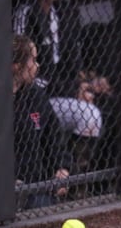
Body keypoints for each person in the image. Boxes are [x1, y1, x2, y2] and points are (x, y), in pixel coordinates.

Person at [12, 0, 108, 171]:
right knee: (89, 114)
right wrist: (73, 89)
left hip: (59, 92)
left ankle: (86, 178)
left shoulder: (64, 13)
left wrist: (83, 86)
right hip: (32, 97)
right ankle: (70, 176)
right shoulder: (25, 13)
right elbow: (27, 77)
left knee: (101, 102)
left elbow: (72, 66)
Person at [12, 34, 72, 209]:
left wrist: (62, 167)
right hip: (6, 189)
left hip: (38, 186)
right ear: (16, 66)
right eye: (33, 60)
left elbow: (54, 136)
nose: (37, 66)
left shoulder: (34, 95)